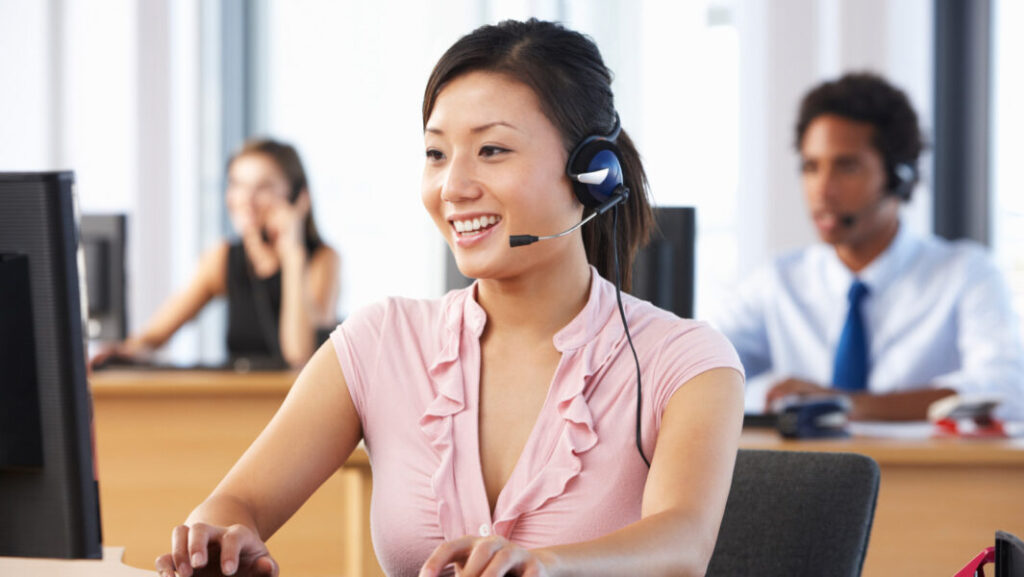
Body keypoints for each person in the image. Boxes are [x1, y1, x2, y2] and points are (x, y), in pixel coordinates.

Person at [154, 19, 745, 577]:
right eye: (437, 154)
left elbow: (684, 542)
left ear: (593, 173)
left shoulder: (687, 362)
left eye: (492, 150)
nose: (453, 187)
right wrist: (220, 537)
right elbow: (238, 500)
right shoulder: (381, 340)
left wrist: (548, 565)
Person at [708, 72, 1024, 421]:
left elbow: (1006, 389)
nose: (822, 191)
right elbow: (700, 363)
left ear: (898, 176)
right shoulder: (778, 281)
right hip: (814, 476)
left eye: (847, 167)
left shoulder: (965, 274)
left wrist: (847, 404)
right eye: (811, 167)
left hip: (925, 475)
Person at [91, 138, 340, 370]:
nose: (247, 199)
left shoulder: (322, 260)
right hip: (240, 404)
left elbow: (299, 355)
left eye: (263, 187)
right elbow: (155, 335)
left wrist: (293, 256)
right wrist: (119, 351)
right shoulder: (222, 258)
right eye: (237, 184)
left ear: (299, 198)